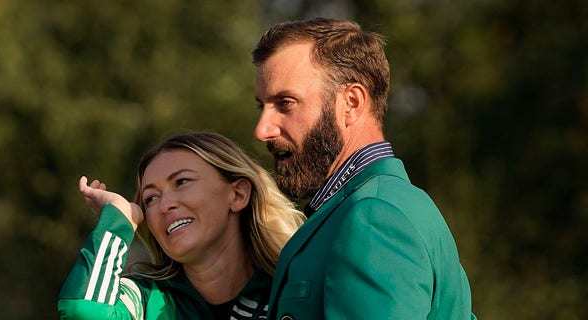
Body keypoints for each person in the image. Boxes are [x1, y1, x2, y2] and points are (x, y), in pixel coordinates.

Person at [252, 18, 476, 319]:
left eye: (285, 103)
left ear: (351, 102)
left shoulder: (375, 217)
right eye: (261, 106)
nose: (263, 129)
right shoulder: (377, 205)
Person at [58, 131, 306, 319]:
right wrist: (118, 220)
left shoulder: (293, 291)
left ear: (238, 195)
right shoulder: (145, 301)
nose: (164, 205)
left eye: (182, 181)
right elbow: (82, 309)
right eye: (150, 198)